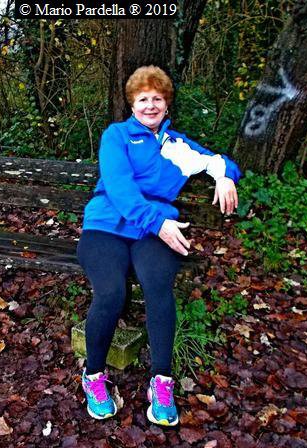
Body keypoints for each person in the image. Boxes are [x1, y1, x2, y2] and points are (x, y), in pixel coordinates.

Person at [77, 65, 241, 426]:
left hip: (154, 234)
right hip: (107, 226)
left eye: (157, 98)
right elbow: (119, 188)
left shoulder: (179, 145)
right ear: (132, 104)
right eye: (143, 99)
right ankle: (93, 376)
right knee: (111, 292)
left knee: (158, 287)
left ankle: (162, 383)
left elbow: (218, 161)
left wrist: (226, 177)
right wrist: (158, 222)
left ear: (167, 104)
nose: (150, 105)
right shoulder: (117, 136)